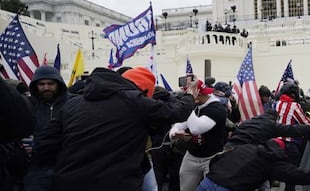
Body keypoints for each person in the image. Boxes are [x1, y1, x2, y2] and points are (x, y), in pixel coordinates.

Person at [29, 67, 198, 191]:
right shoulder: (133, 101)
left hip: (69, 182)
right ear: (143, 90)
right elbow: (177, 112)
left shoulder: (72, 104)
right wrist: (190, 95)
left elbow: (45, 144)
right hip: (117, 183)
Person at [196, 138, 310, 191]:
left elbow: (217, 159)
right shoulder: (272, 161)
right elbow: (294, 174)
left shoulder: (246, 147)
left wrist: (215, 174)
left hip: (208, 182)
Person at [169, 79, 227, 191]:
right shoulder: (195, 106)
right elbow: (178, 124)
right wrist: (174, 133)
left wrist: (188, 106)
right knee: (185, 188)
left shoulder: (217, 108)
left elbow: (196, 128)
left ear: (198, 95)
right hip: (192, 156)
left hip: (211, 157)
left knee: (210, 188)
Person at [25, 65, 73, 191]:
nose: (46, 88)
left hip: (67, 166)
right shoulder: (28, 105)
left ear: (58, 84)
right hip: (37, 167)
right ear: (35, 85)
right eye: (42, 84)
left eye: (50, 83)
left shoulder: (74, 103)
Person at [274, 83, 310, 191]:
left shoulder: (276, 104)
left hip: (274, 141)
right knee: (292, 174)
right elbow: (305, 122)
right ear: (294, 94)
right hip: (289, 144)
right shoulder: (294, 106)